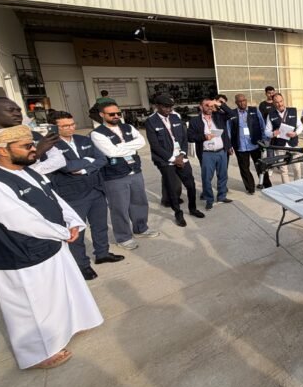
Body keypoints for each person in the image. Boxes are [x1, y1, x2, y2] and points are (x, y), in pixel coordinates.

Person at [0, 125, 103, 369]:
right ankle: (38, 354)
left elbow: (55, 200)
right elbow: (20, 219)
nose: (33, 150)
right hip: (22, 255)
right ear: (2, 151)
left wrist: (72, 222)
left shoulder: (29, 172)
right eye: (26, 146)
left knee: (62, 292)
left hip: (51, 244)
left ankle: (68, 327)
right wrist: (62, 232)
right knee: (32, 306)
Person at [49, 111, 124, 280]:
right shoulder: (50, 146)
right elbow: (66, 167)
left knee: (100, 225)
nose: (71, 128)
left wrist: (83, 168)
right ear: (55, 127)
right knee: (77, 232)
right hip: (73, 195)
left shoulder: (83, 139)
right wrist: (89, 161)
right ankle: (81, 265)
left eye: (72, 124)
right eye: (65, 125)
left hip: (96, 189)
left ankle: (102, 253)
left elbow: (102, 159)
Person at [91, 102, 158, 250]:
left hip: (135, 170)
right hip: (115, 176)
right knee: (119, 207)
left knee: (139, 202)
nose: (116, 116)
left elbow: (141, 142)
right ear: (102, 115)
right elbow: (111, 152)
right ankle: (123, 237)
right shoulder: (97, 133)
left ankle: (141, 228)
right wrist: (129, 147)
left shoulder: (128, 127)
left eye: (118, 113)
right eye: (111, 114)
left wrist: (120, 147)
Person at [144, 95, 205, 227]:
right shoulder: (151, 121)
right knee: (172, 189)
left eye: (170, 107)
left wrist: (182, 154)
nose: (168, 110)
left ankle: (193, 208)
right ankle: (178, 213)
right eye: (165, 107)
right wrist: (173, 159)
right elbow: (155, 145)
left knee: (191, 185)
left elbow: (183, 137)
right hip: (166, 161)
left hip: (181, 157)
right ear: (157, 106)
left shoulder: (175, 117)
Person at [0, 96, 66, 174]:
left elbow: (60, 161)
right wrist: (37, 153)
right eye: (11, 110)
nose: (18, 114)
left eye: (19, 110)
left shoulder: (33, 134)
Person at [188, 97, 233, 210]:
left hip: (221, 151)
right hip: (207, 153)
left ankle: (222, 196)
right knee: (206, 178)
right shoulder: (195, 121)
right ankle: (209, 199)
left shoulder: (218, 116)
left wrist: (218, 104)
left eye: (211, 105)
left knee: (223, 175)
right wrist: (204, 137)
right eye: (206, 105)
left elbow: (231, 113)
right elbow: (190, 137)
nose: (209, 107)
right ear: (201, 107)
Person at [228, 93, 270, 193]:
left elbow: (262, 125)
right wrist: (229, 145)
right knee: (244, 168)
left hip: (255, 144)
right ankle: (250, 188)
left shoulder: (254, 110)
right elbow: (228, 130)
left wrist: (264, 139)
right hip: (240, 146)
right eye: (240, 101)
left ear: (246, 101)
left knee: (261, 166)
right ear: (236, 102)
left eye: (244, 100)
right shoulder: (232, 113)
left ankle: (267, 184)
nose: (242, 103)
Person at [264, 93, 303, 183]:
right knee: (283, 169)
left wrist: (295, 133)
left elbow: (300, 126)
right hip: (279, 145)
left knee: (297, 167)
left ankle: (298, 184)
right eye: (277, 102)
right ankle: (286, 187)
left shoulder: (292, 111)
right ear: (273, 103)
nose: (280, 104)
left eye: (281, 101)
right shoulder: (270, 115)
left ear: (283, 100)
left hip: (292, 143)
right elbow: (267, 131)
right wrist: (273, 133)